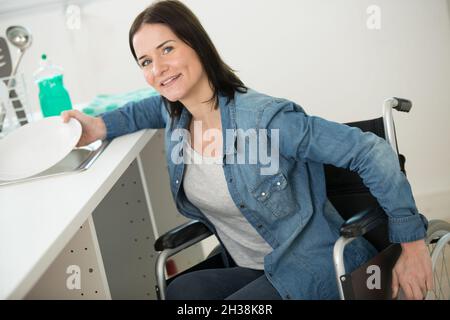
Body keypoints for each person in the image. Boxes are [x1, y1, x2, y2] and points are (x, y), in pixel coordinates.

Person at [62, 0, 432, 300]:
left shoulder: (266, 120)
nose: (158, 68)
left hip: (312, 264)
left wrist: (412, 244)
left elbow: (371, 152)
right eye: (145, 61)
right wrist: (98, 126)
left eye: (167, 49)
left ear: (197, 45)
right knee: (182, 292)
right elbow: (143, 108)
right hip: (253, 264)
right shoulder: (174, 113)